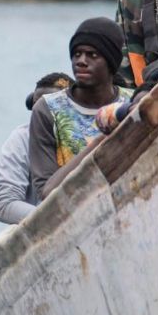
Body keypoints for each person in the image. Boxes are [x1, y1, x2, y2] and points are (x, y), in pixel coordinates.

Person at [29, 18, 133, 198]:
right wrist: (100, 141)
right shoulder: (48, 109)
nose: (81, 61)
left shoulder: (132, 104)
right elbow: (46, 194)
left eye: (92, 55)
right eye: (77, 54)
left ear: (111, 62)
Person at [0, 72, 72, 225]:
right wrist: (58, 220)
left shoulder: (89, 133)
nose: (43, 116)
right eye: (39, 110)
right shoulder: (21, 139)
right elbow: (4, 204)